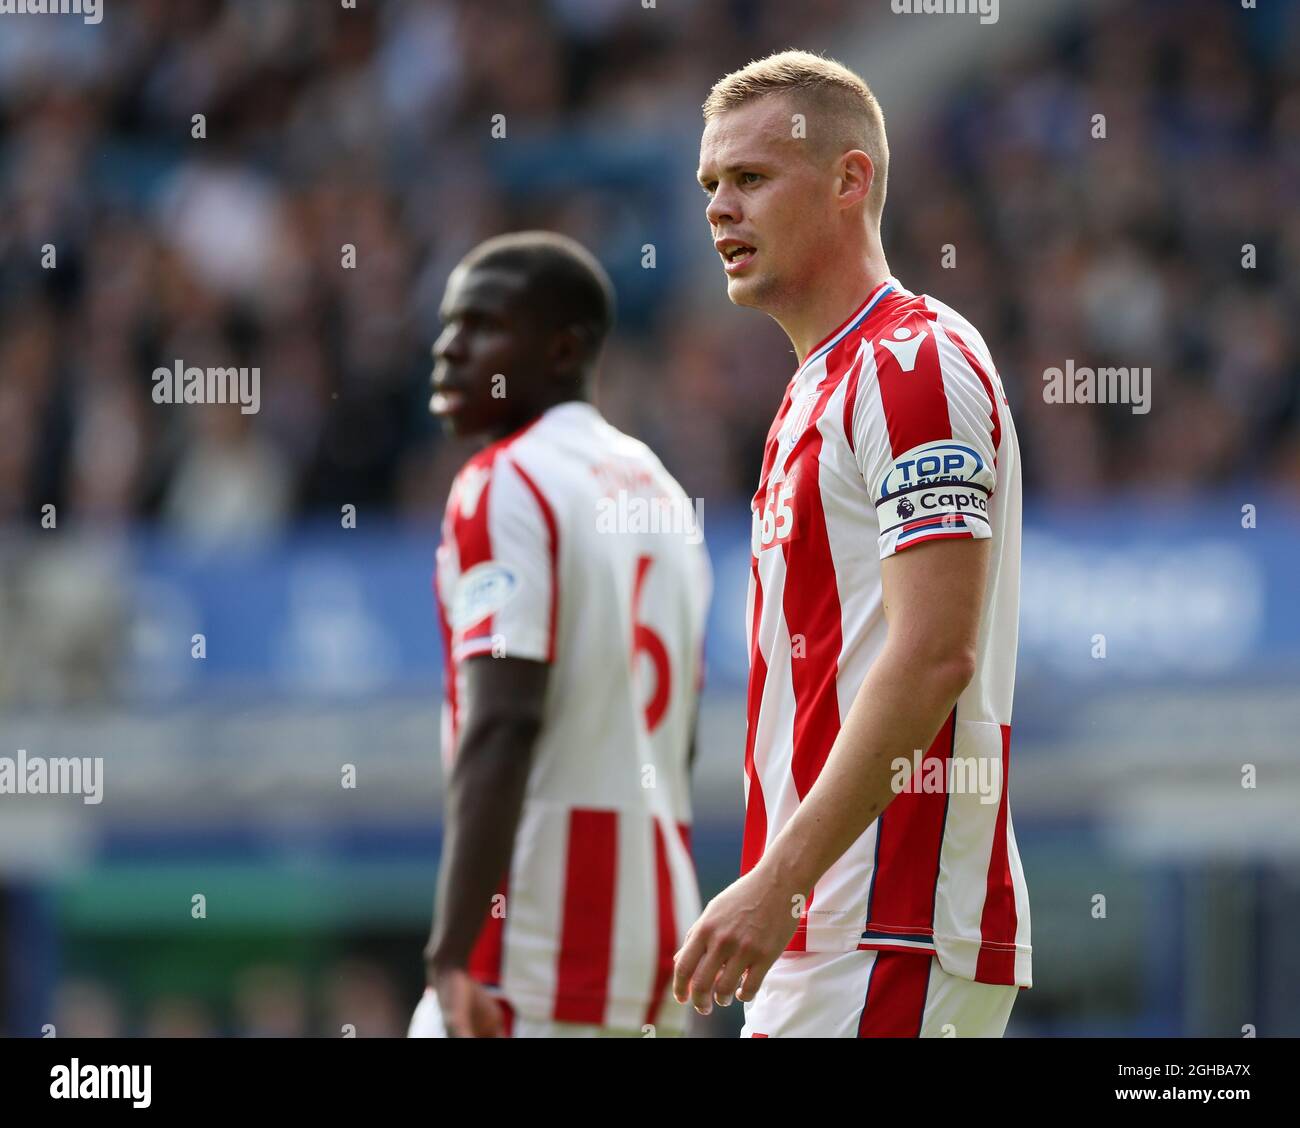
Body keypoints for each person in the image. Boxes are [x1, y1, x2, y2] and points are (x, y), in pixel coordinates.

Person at [674, 50, 1031, 1038]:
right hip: (838, 935)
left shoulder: (910, 364)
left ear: (848, 180)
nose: (718, 209)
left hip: (887, 928)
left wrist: (776, 882)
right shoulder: (813, 393)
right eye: (710, 185)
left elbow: (931, 653)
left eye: (750, 178)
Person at [410, 231, 710, 1038]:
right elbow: (680, 742)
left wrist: (453, 949)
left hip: (536, 937)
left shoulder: (504, 480)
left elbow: (504, 719)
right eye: (447, 325)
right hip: (655, 936)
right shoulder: (664, 492)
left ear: (563, 348)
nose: (448, 349)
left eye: (482, 326)